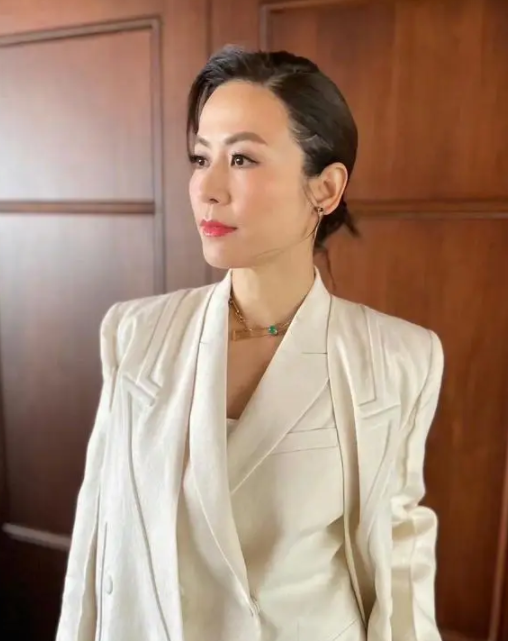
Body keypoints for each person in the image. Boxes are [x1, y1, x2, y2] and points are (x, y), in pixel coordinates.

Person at [56, 46, 444, 641]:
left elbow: (401, 564)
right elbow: (97, 540)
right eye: (200, 158)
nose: (207, 189)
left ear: (326, 188)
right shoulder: (136, 335)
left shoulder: (398, 360)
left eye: (241, 158)